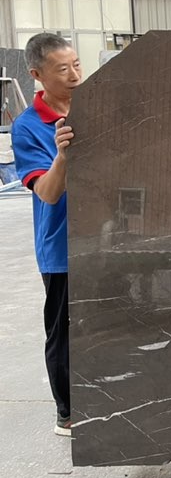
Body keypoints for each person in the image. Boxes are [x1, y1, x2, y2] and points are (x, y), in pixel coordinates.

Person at [11, 33, 79, 435]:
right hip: (62, 247)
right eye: (62, 69)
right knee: (64, 331)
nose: (74, 75)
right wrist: (63, 157)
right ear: (37, 75)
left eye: (77, 65)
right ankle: (67, 413)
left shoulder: (95, 107)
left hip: (108, 237)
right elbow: (48, 193)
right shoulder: (28, 127)